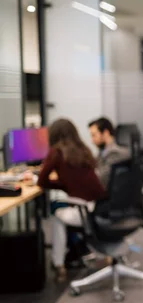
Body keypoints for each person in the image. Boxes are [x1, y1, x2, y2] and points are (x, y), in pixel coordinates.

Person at [37, 119, 106, 282]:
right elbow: (81, 181)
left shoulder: (56, 152)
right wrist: (64, 184)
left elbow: (41, 181)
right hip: (99, 206)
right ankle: (77, 250)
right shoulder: (84, 150)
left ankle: (59, 264)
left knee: (56, 213)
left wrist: (60, 184)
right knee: (61, 207)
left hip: (83, 211)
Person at [88, 117, 130, 188]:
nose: (92, 140)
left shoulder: (116, 152)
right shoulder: (103, 151)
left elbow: (100, 178)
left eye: (94, 135)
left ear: (105, 133)